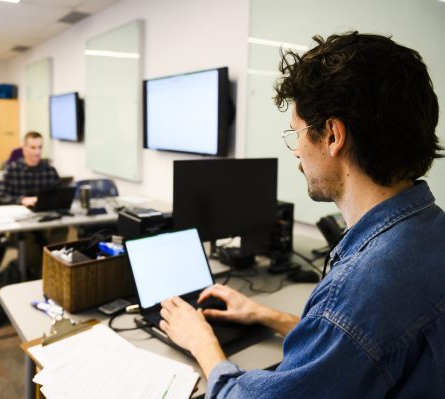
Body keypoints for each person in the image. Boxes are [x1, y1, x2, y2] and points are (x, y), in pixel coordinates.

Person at [160, 32, 444, 398]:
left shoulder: (362, 287)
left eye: (296, 133)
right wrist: (269, 316)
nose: (296, 152)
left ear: (332, 135)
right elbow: (367, 344)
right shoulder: (432, 230)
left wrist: (202, 344)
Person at [0, 131, 64, 276]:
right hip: (22, 223)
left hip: (46, 218)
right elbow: (0, 197)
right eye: (33, 148)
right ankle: (35, 274)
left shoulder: (49, 170)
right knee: (32, 256)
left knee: (61, 232)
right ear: (24, 148)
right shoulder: (12, 170)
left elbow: (59, 194)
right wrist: (21, 200)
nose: (37, 152)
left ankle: (53, 273)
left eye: (40, 148)